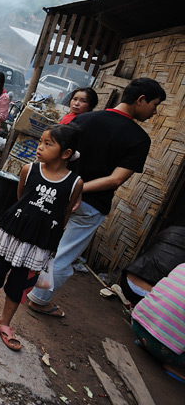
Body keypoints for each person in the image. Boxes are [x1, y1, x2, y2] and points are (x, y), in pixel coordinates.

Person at [27, 77, 166, 318]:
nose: (154, 112)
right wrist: (81, 190)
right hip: (91, 204)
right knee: (64, 253)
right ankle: (39, 299)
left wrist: (68, 187)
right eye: (154, 104)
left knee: (41, 240)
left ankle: (20, 284)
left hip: (59, 193)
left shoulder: (84, 119)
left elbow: (56, 155)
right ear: (140, 100)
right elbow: (115, 180)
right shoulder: (140, 139)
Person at [0, 125, 83, 351]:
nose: (40, 147)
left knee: (20, 283)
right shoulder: (29, 169)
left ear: (66, 154)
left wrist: (50, 243)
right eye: (40, 142)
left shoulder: (75, 183)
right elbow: (21, 197)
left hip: (39, 243)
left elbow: (65, 214)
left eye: (47, 144)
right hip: (13, 233)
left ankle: (4, 322)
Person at [131, 262, 185, 381]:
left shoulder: (181, 266)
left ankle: (145, 343)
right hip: (167, 351)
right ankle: (177, 369)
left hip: (138, 325)